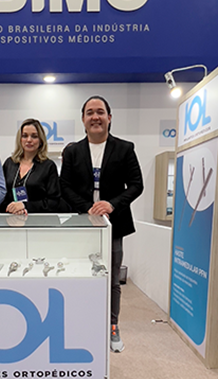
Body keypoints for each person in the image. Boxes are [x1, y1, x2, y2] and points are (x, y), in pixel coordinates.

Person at [60, 96, 144, 353]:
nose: (95, 117)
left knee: (112, 279)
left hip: (113, 225)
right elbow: (65, 187)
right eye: (89, 112)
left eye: (100, 112)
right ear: (83, 119)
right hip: (82, 224)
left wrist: (111, 204)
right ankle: (83, 323)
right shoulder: (72, 151)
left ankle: (112, 325)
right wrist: (87, 207)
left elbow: (136, 185)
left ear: (109, 117)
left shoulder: (124, 148)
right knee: (80, 275)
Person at [0, 118, 61, 214]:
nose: (29, 140)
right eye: (24, 136)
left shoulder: (48, 166)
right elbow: (0, 194)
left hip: (38, 220)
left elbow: (53, 202)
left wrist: (25, 206)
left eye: (34, 136)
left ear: (41, 140)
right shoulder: (9, 163)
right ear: (20, 139)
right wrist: (13, 208)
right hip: (11, 218)